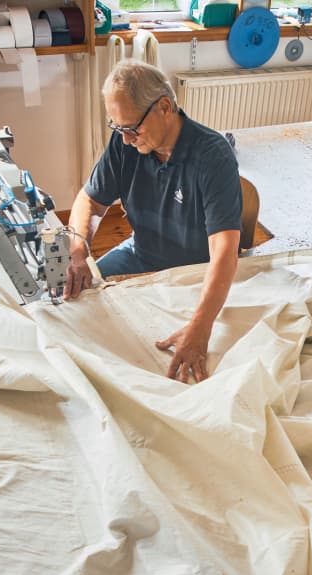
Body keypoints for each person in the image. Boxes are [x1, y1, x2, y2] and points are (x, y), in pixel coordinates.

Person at [63, 59, 243, 384]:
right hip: (141, 253)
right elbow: (89, 200)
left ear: (164, 107)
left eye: (132, 128)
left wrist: (201, 329)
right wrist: (78, 250)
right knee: (81, 307)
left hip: (194, 272)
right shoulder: (125, 144)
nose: (127, 140)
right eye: (117, 129)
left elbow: (225, 252)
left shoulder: (212, 156)